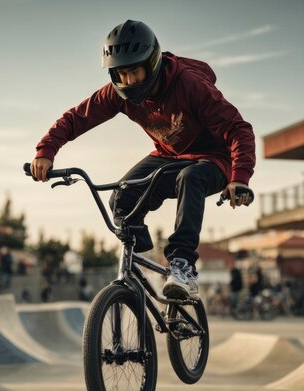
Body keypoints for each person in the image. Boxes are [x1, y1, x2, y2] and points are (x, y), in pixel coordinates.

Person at [30, 20, 255, 301]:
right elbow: (76, 118)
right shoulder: (117, 93)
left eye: (135, 72)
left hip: (215, 160)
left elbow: (239, 129)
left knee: (191, 177)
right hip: (168, 157)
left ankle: (182, 265)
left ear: (152, 63)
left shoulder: (190, 85)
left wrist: (240, 178)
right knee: (121, 198)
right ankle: (137, 262)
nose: (130, 81)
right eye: (122, 74)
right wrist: (46, 150)